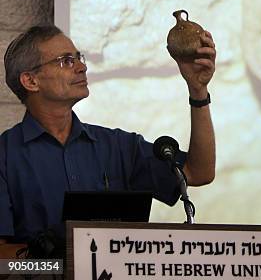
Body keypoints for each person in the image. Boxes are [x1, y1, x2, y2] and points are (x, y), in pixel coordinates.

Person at [0, 24, 216, 248]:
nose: (82, 67)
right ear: (31, 81)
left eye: (79, 57)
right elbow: (3, 263)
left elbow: (199, 172)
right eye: (66, 61)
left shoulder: (118, 146)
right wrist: (59, 265)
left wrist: (197, 91)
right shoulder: (5, 156)